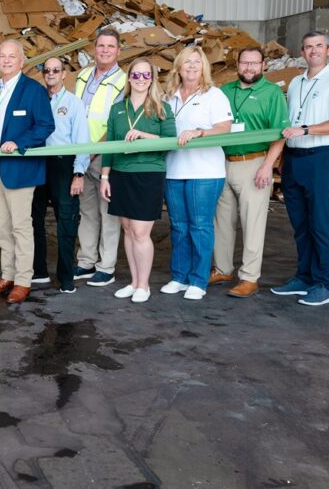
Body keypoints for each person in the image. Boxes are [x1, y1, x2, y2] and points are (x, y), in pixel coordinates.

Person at [273, 31, 329, 307]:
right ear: (302, 51)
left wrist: (306, 129)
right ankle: (304, 277)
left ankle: (322, 284)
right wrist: (284, 157)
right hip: (295, 159)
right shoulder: (296, 82)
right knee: (301, 224)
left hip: (322, 159)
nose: (313, 51)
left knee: (321, 223)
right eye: (308, 47)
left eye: (319, 46)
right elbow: (289, 122)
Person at [0, 40, 55, 304]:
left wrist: (20, 143)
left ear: (22, 61)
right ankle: (7, 274)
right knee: (3, 225)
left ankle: (23, 281)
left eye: (12, 56)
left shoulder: (33, 90)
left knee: (22, 226)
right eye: (3, 56)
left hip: (21, 167)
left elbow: (46, 125)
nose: (7, 60)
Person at [211, 47, 289, 297]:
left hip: (254, 163)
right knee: (222, 221)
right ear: (238, 65)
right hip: (223, 161)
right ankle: (222, 268)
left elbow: (279, 134)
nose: (249, 68)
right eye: (245, 63)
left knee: (252, 223)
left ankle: (249, 277)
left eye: (255, 63)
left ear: (264, 65)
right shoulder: (224, 91)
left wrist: (268, 165)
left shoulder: (272, 93)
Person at [99, 57, 176, 303]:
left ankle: (144, 285)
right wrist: (104, 176)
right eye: (136, 75)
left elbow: (171, 142)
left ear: (152, 78)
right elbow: (110, 145)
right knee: (128, 230)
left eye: (146, 75)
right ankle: (133, 282)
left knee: (141, 232)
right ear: (129, 78)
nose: (141, 79)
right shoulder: (117, 108)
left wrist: (143, 135)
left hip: (148, 172)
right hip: (120, 173)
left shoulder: (161, 107)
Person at [160, 45, 232, 301]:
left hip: (205, 171)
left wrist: (200, 132)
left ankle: (198, 280)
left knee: (199, 226)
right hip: (174, 170)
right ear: (178, 66)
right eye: (187, 62)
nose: (191, 66)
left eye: (197, 62)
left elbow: (225, 128)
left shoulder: (214, 95)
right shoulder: (169, 96)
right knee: (178, 226)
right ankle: (179, 277)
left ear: (204, 67)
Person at [73, 28, 128, 288]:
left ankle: (106, 266)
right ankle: (86, 261)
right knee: (87, 211)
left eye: (110, 46)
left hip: (104, 154)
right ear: (94, 49)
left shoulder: (124, 81)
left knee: (108, 213)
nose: (105, 50)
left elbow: (116, 122)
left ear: (118, 50)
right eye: (101, 46)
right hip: (82, 153)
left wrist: (92, 152)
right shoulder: (83, 76)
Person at [32, 57, 90, 294]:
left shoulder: (74, 104)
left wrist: (78, 172)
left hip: (63, 166)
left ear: (64, 74)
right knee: (33, 219)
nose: (51, 74)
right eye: (47, 70)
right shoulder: (36, 100)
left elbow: (82, 140)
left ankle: (66, 277)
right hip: (36, 163)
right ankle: (39, 271)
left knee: (66, 220)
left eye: (56, 70)